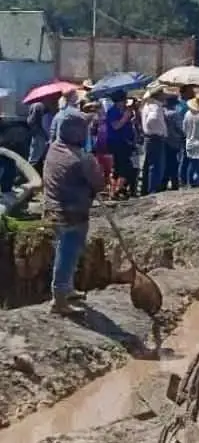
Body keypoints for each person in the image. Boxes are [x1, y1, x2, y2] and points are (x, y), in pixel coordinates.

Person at [43, 113, 106, 315]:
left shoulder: (54, 148)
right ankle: (59, 300)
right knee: (67, 255)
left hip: (52, 210)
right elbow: (99, 183)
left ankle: (67, 289)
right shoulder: (81, 159)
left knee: (66, 251)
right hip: (72, 215)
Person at [140, 87, 170, 194]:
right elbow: (152, 119)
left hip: (149, 137)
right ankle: (153, 190)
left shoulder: (147, 106)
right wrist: (156, 129)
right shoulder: (155, 107)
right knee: (156, 166)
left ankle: (146, 189)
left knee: (148, 165)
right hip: (155, 137)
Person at [163, 92, 186, 190]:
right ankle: (174, 184)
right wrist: (184, 135)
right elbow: (179, 128)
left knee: (166, 162)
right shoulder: (174, 114)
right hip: (174, 141)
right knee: (174, 164)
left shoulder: (163, 112)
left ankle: (164, 183)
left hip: (164, 140)